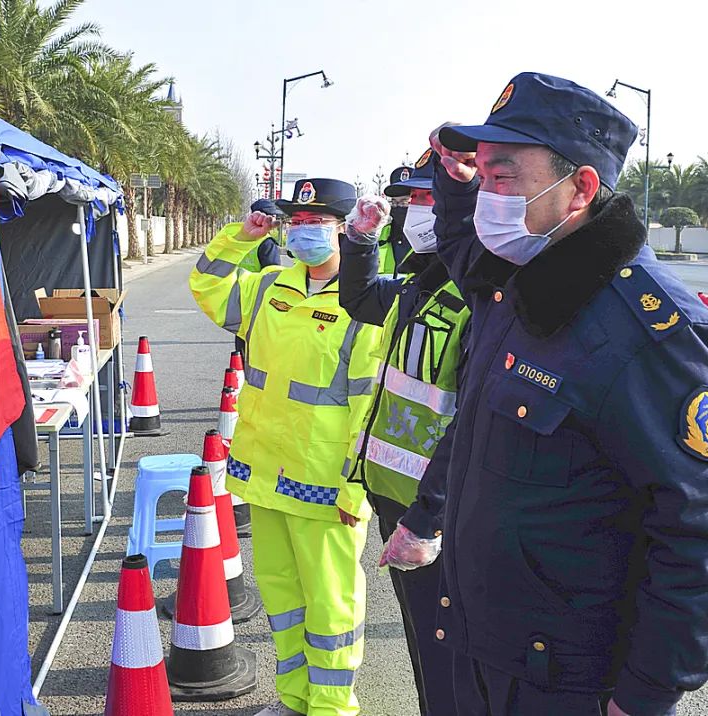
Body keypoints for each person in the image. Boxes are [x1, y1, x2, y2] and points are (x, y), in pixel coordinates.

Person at [382, 73, 708, 716]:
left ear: (580, 188)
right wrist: (451, 178)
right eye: (484, 175)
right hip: (484, 650)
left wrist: (645, 695)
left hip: (566, 682)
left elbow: (706, 535)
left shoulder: (650, 330)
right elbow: (461, 249)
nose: (488, 197)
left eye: (503, 176)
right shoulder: (520, 281)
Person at [190, 178, 382, 716]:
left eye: (315, 224)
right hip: (263, 474)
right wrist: (243, 237)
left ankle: (331, 707)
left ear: (346, 230)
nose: (303, 233)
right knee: (282, 599)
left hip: (325, 484)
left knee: (331, 605)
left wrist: (357, 486)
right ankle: (294, 700)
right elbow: (206, 286)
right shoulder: (270, 284)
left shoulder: (365, 301)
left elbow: (371, 404)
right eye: (295, 224)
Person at [338, 147, 468, 715]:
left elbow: (469, 422)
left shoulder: (478, 299)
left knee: (451, 651)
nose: (412, 212)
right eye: (406, 201)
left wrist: (430, 516)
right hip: (396, 497)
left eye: (424, 199)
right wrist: (360, 243)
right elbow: (361, 298)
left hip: (440, 513)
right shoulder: (419, 283)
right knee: (423, 644)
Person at [234, 199, 283, 358]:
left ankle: (240, 370)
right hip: (260, 299)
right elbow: (273, 274)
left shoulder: (242, 239)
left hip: (240, 295)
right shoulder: (267, 243)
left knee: (242, 338)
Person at [377, 164, 419, 274]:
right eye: (394, 202)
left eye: (404, 201)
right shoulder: (381, 235)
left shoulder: (433, 235)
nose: (399, 207)